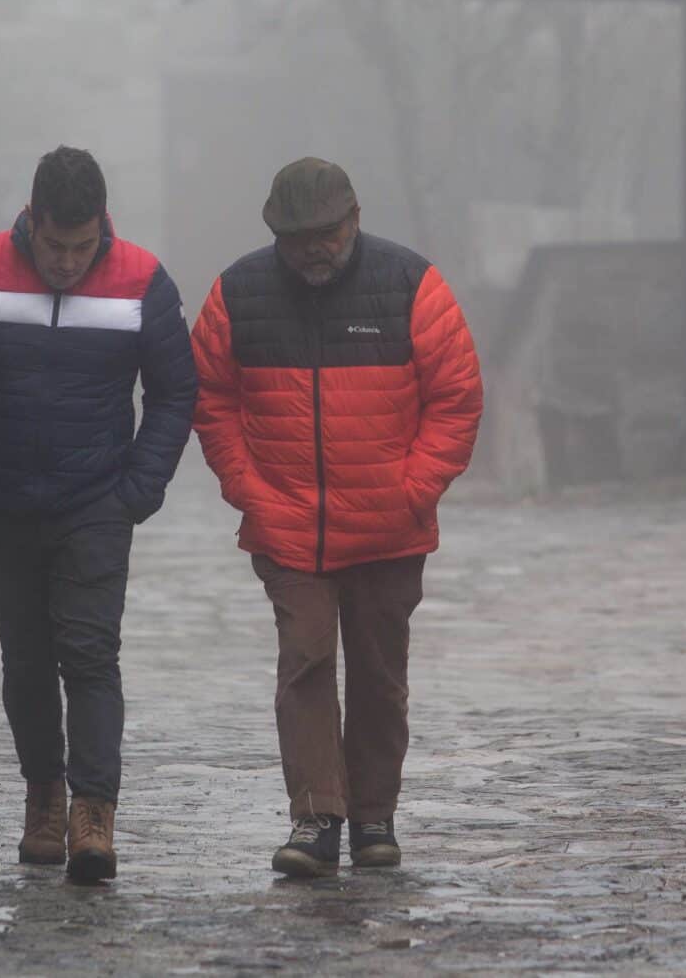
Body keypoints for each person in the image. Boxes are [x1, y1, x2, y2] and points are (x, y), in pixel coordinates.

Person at [189, 157, 483, 877]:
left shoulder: (414, 286)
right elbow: (210, 397)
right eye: (297, 237)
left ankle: (374, 813)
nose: (313, 248)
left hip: (389, 528)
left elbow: (458, 398)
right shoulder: (237, 294)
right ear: (276, 235)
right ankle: (318, 817)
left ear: (354, 218)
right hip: (288, 526)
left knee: (380, 675)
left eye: (326, 232)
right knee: (307, 659)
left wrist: (413, 487)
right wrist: (247, 486)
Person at [0, 146, 195, 882]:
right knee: (27, 658)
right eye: (55, 244)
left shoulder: (141, 281)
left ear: (102, 224)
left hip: (97, 501)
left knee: (90, 652)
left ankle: (93, 811)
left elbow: (174, 392)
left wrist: (139, 489)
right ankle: (44, 792)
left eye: (82, 245)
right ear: (30, 219)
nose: (69, 261)